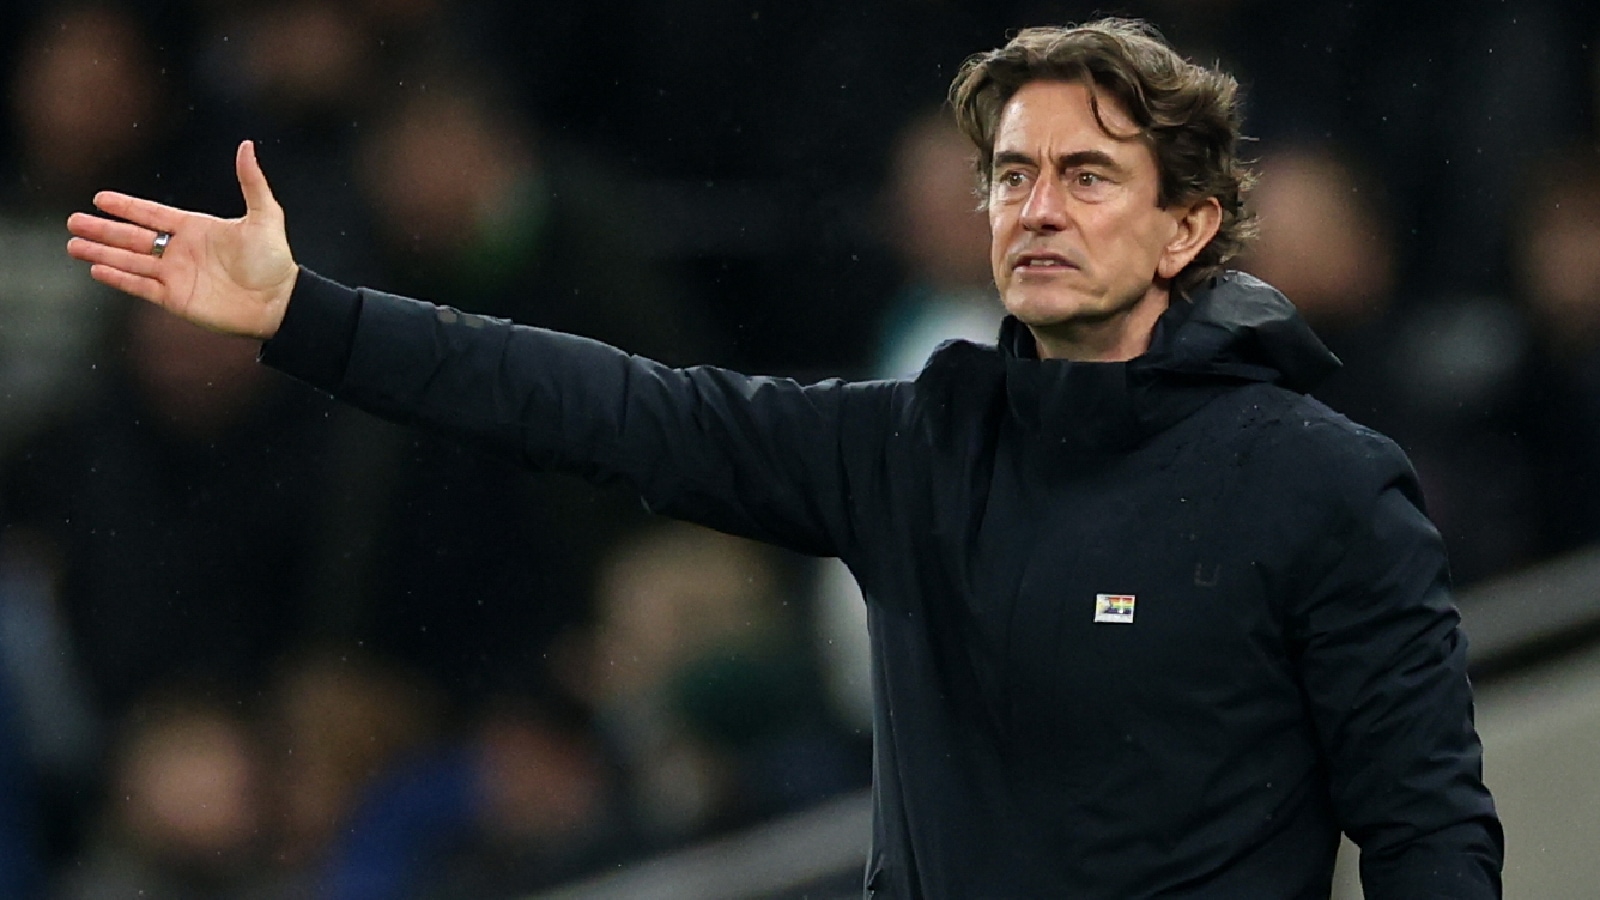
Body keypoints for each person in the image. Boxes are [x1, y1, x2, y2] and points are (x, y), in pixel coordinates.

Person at [64, 18, 1501, 899]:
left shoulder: (1323, 485)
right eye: (1011, 175)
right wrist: (309, 315)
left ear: (1189, 227)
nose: (1035, 208)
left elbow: (1430, 832)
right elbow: (604, 406)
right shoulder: (910, 448)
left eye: (1087, 175)